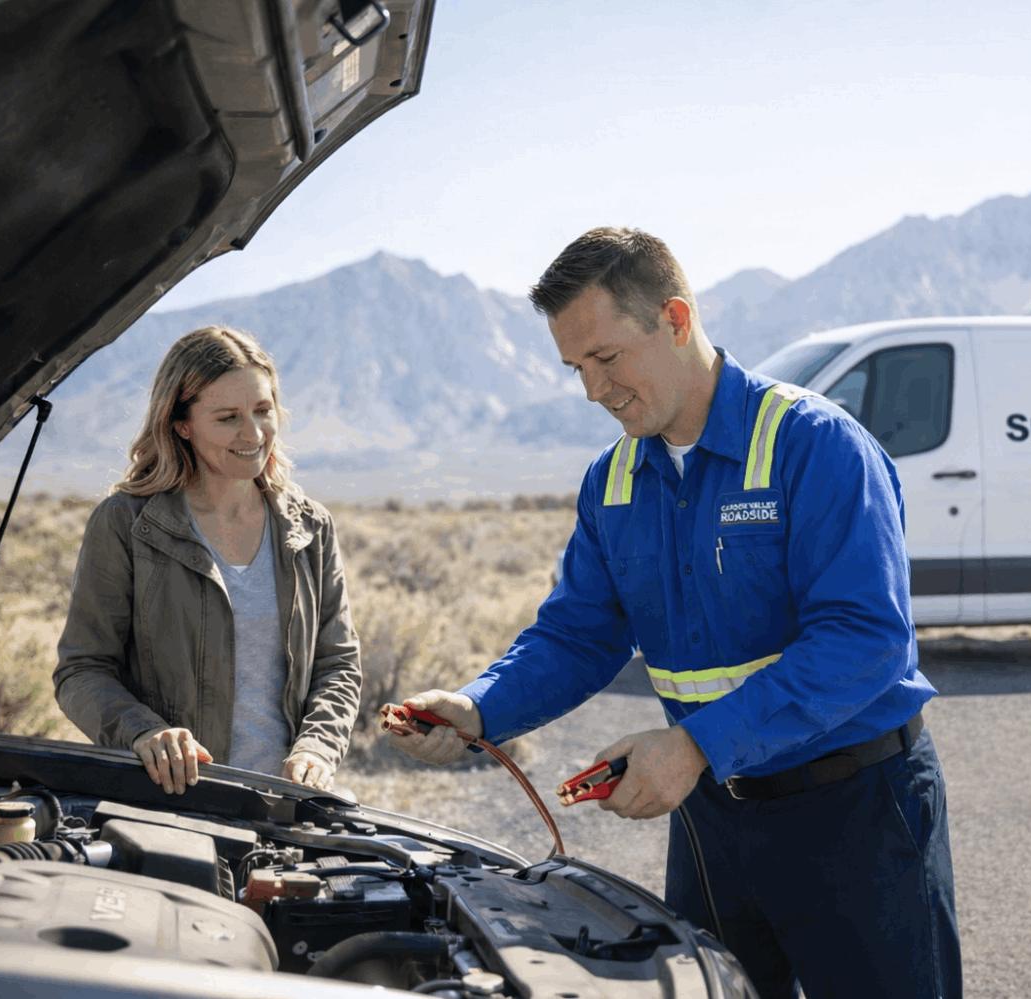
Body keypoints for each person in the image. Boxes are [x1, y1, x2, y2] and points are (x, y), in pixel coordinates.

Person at [388, 229, 961, 998]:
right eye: (576, 368)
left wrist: (695, 743)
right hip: (713, 826)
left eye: (607, 357)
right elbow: (577, 635)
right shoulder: (613, 480)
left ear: (676, 318)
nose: (594, 389)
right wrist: (477, 707)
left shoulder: (815, 446)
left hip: (855, 816)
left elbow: (866, 641)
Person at [55, 326, 361, 796]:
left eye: (263, 410)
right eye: (227, 418)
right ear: (181, 424)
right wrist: (143, 731)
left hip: (285, 805)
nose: (253, 433)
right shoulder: (126, 524)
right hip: (168, 804)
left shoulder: (309, 527)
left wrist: (317, 748)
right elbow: (82, 669)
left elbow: (338, 664)